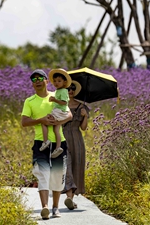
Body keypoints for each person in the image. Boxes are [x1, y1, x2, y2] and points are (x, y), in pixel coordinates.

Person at [21, 69, 73, 220]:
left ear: (46, 81)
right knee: (42, 175)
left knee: (57, 176)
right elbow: (24, 122)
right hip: (40, 143)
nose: (37, 81)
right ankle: (45, 207)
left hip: (59, 143)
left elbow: (69, 115)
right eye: (33, 79)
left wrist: (58, 122)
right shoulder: (29, 101)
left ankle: (55, 207)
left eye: (40, 78)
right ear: (32, 84)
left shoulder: (56, 95)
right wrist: (41, 120)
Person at [62, 80, 90, 210]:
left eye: (73, 88)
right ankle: (69, 197)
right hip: (62, 137)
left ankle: (70, 199)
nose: (71, 90)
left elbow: (83, 128)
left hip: (77, 138)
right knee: (66, 167)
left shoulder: (82, 107)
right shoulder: (60, 105)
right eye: (68, 88)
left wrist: (85, 116)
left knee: (76, 167)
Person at [39, 69, 72, 159]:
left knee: (44, 121)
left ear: (64, 82)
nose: (56, 83)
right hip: (59, 111)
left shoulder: (64, 91)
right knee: (56, 129)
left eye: (59, 81)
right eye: (55, 81)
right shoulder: (58, 91)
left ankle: (45, 141)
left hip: (60, 112)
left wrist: (54, 100)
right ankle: (58, 147)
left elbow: (64, 102)